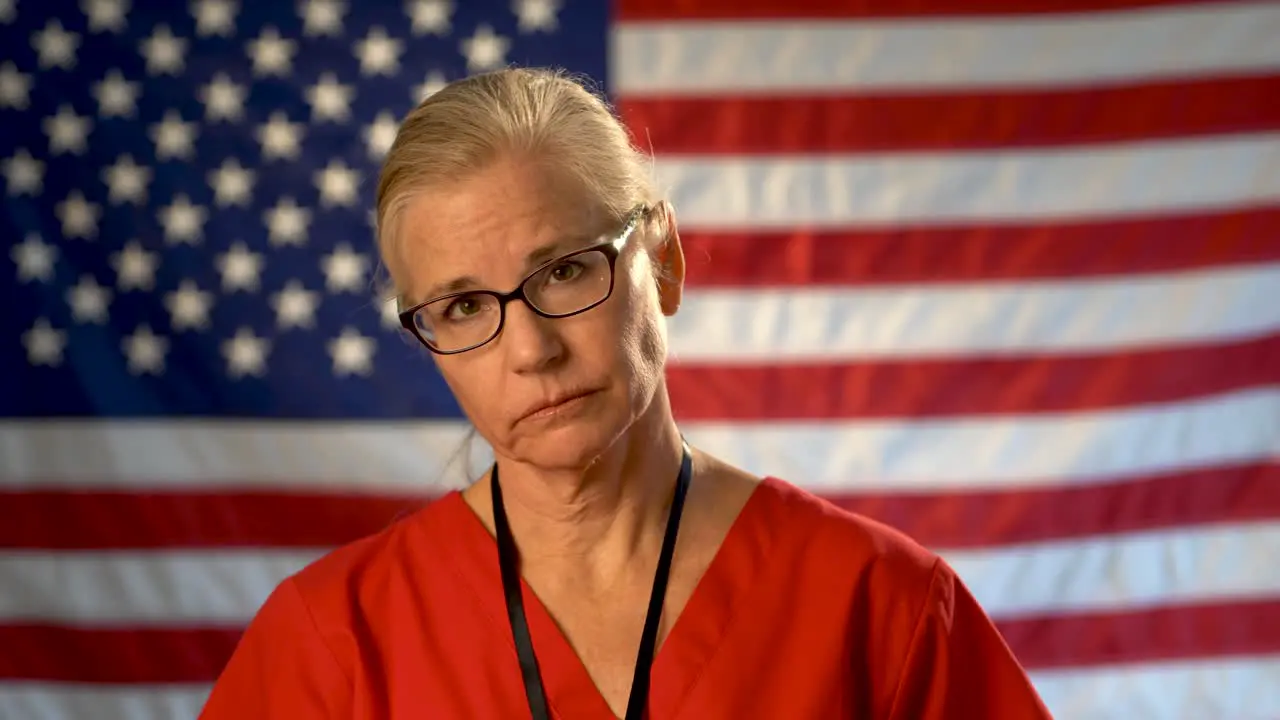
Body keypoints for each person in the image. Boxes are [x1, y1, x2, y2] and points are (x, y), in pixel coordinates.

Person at [199, 67, 1054, 719]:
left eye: (566, 270)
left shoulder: (878, 606)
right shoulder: (331, 641)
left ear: (665, 262)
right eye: (463, 307)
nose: (530, 349)